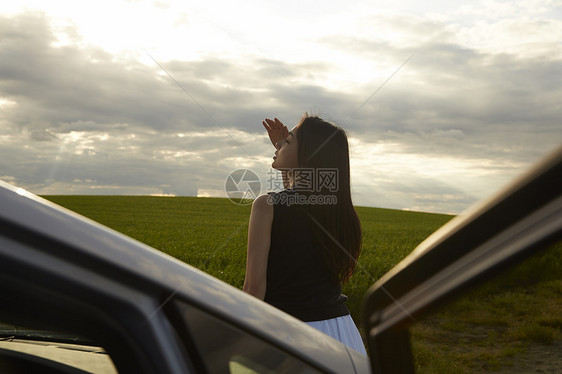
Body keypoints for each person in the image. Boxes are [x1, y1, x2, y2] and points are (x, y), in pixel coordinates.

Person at [243, 114, 366, 355]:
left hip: (289, 334)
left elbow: (253, 290)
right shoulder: (337, 210)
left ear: (307, 155)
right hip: (343, 334)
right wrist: (286, 150)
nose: (278, 146)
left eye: (287, 142)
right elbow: (297, 196)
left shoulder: (266, 205)